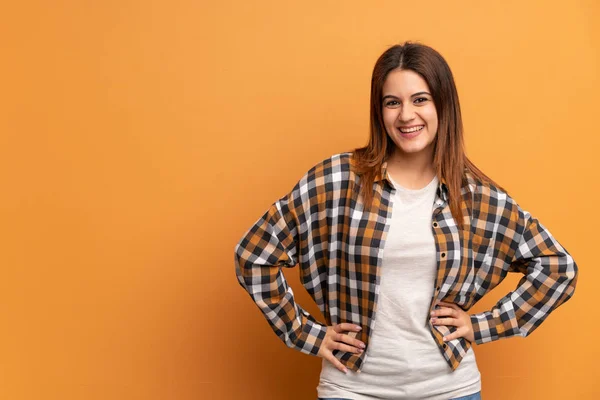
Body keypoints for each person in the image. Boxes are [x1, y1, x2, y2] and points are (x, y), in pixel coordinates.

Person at [233, 41, 578, 400]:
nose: (406, 116)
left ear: (443, 105)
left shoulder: (476, 197)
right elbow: (254, 254)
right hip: (352, 389)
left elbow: (558, 267)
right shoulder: (336, 180)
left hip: (450, 390)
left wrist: (483, 326)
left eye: (420, 99)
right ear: (379, 111)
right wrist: (305, 333)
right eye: (392, 102)